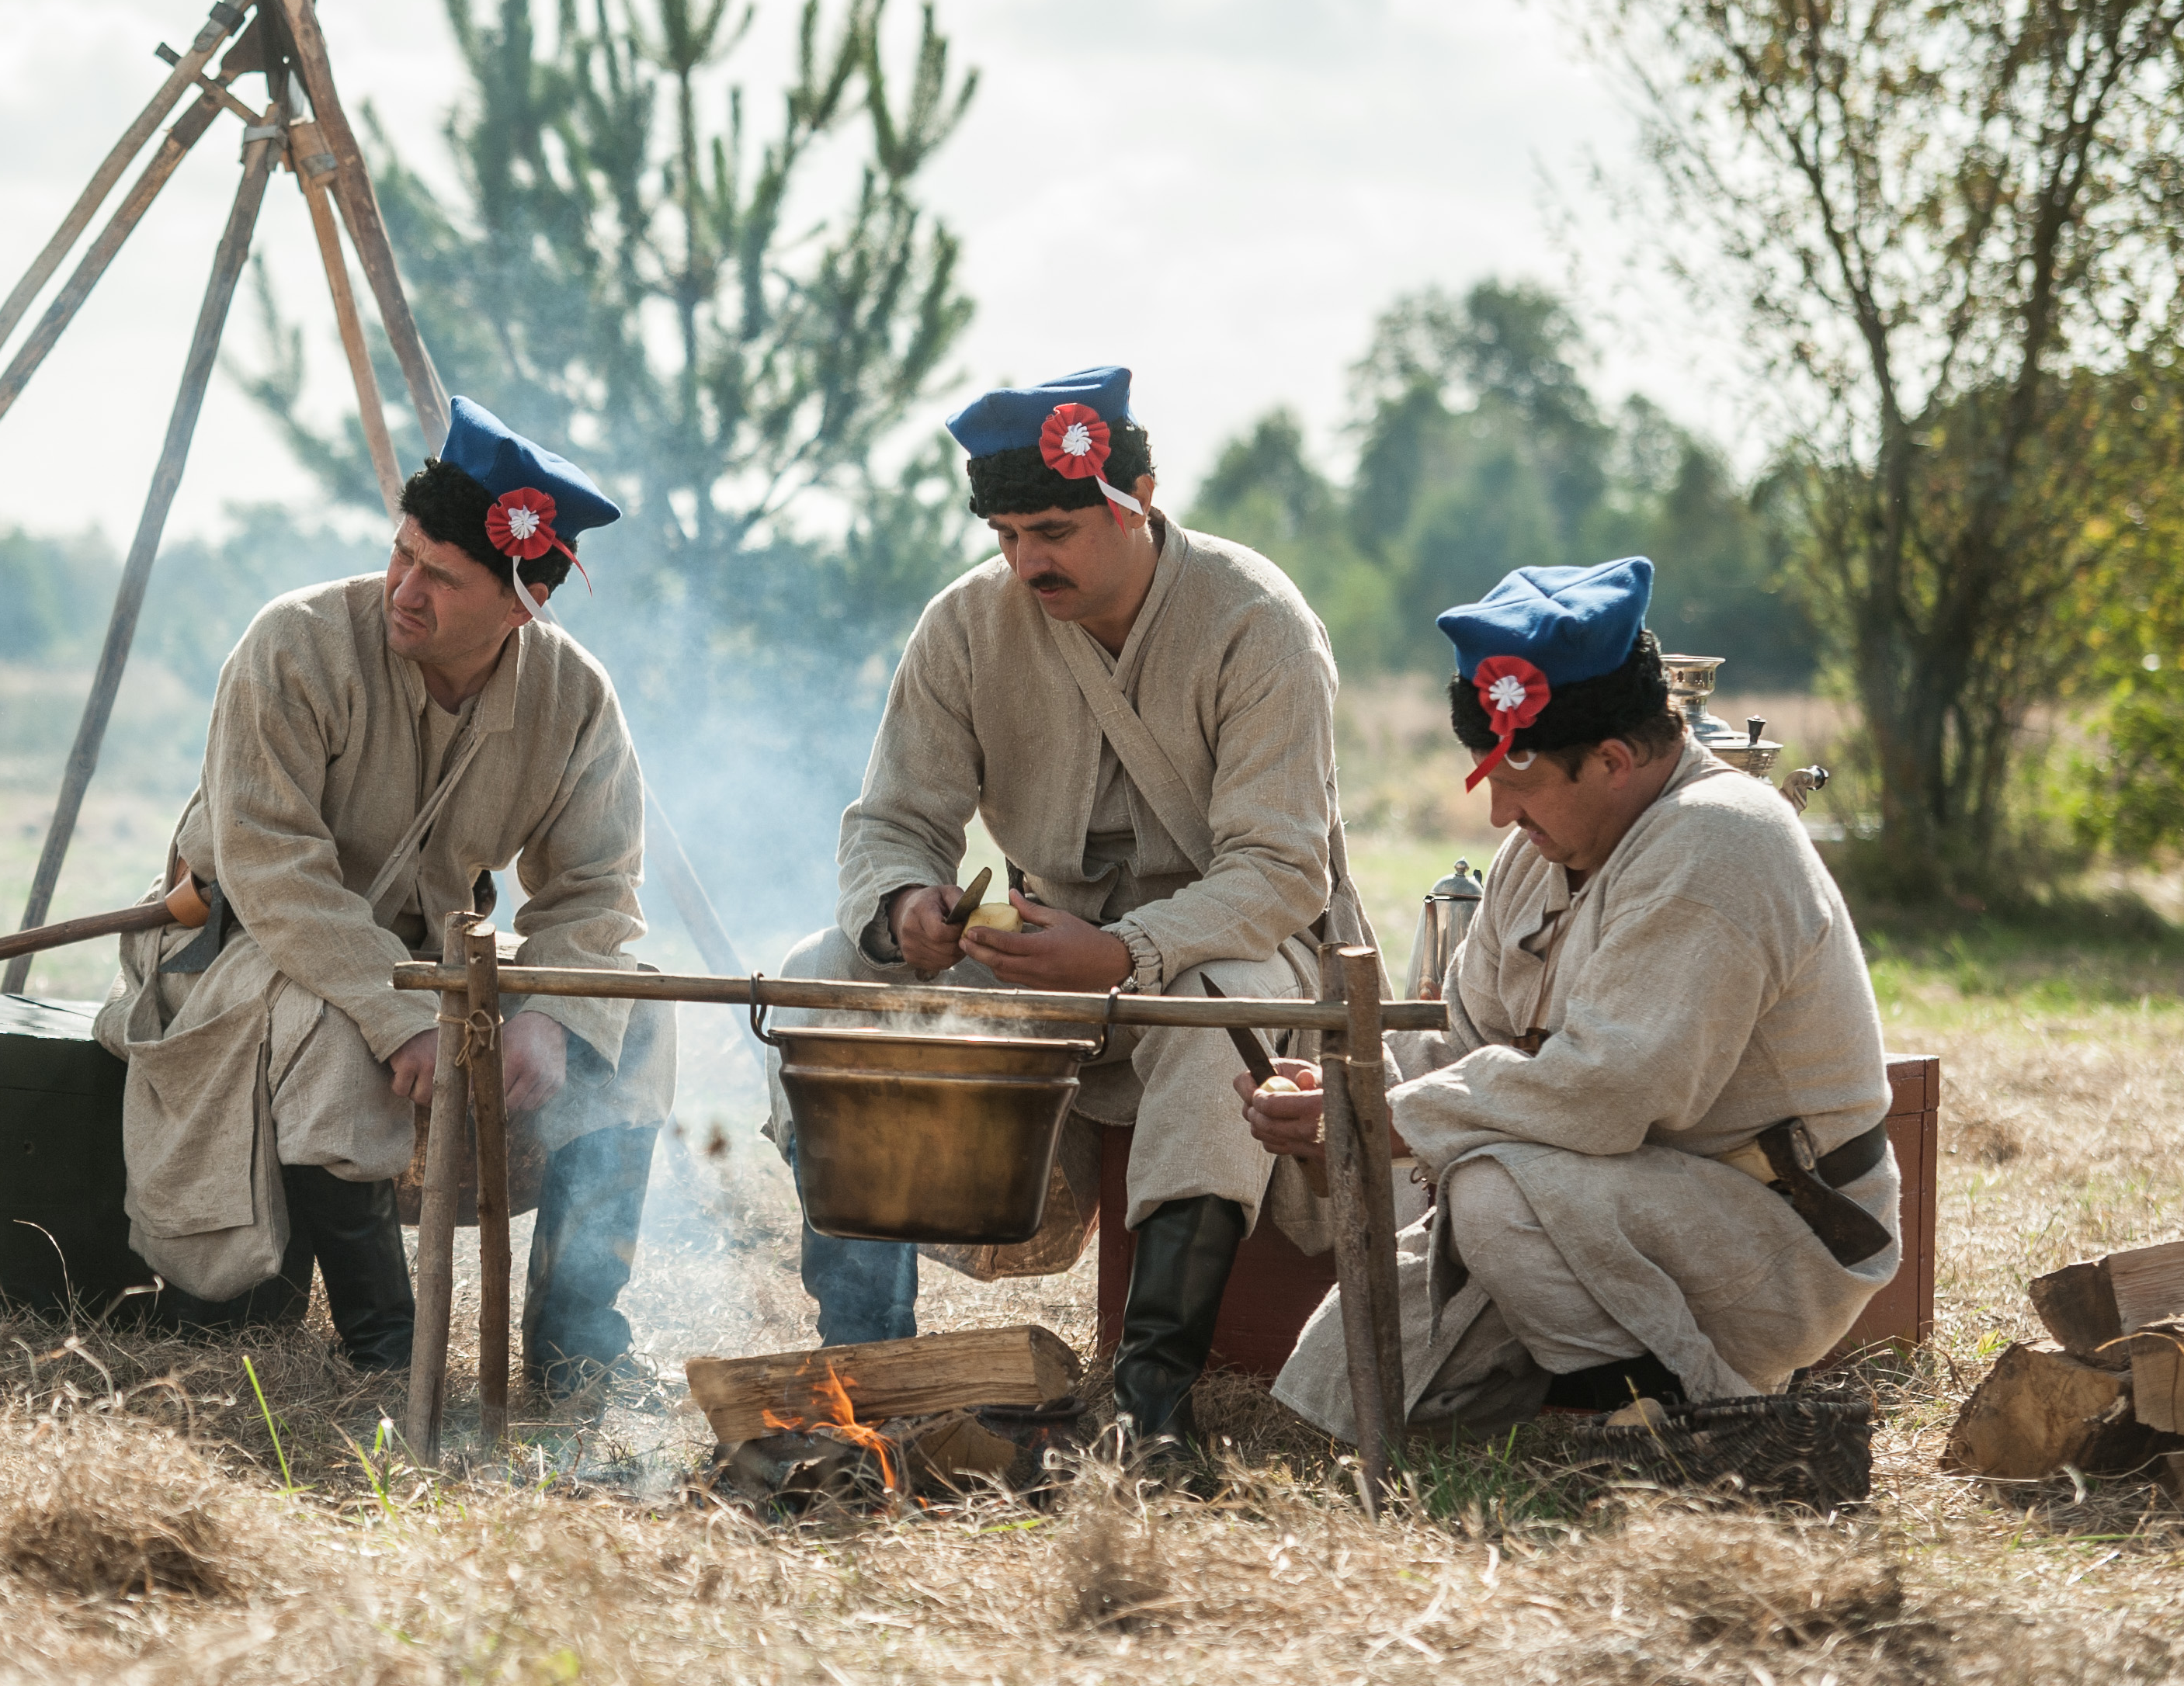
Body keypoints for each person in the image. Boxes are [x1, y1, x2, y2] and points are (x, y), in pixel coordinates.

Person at [779, 366, 1370, 1448]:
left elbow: (1282, 875)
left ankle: (1151, 1414)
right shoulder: (966, 624)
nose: (1026, 561)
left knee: (1209, 1021)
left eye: (1052, 529)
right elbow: (893, 820)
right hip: (1042, 957)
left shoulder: (1257, 623)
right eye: (1006, 534)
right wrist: (907, 906)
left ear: (1137, 496)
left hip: (1231, 949)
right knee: (826, 977)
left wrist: (1130, 950)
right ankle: (868, 1364)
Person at [95, 397, 672, 1400]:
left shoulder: (573, 698)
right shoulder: (294, 646)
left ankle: (578, 1344)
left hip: (431, 965)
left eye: (442, 578)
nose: (405, 590)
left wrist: (552, 1013)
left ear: (521, 604)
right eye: (402, 554)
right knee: (332, 1023)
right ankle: (382, 1344)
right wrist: (401, 1016)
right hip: (249, 954)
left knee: (640, 1018)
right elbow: (274, 869)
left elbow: (594, 888)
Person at [1248, 557, 1898, 1436]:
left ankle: (1691, 1431)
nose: (1496, 820)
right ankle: (1588, 1404)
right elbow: (1462, 1047)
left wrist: (1390, 1116)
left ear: (1612, 760)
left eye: (1517, 787)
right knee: (1325, 1415)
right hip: (1584, 1199)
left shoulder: (1719, 840)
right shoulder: (1536, 854)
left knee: (1489, 1191)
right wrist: (1348, 1093)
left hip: (1776, 1235)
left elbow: (1611, 1092)